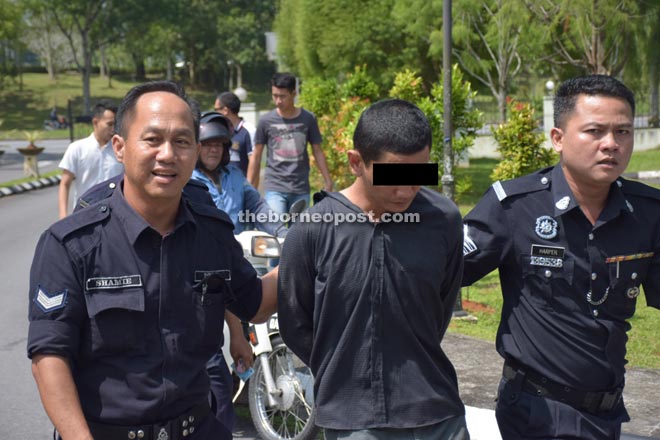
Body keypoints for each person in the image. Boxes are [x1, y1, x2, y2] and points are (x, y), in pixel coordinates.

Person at [27, 80, 279, 440]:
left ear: (194, 151)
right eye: (152, 139)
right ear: (120, 147)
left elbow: (254, 303)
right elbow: (49, 358)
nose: (167, 154)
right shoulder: (71, 244)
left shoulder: (212, 233)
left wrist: (311, 248)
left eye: (181, 141)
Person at [462, 74, 660, 439]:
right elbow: (440, 273)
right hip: (535, 412)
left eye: (623, 132)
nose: (611, 144)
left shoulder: (647, 212)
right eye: (595, 131)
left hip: (607, 414)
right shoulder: (513, 207)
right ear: (558, 138)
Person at [278, 99, 469, 440]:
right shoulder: (312, 229)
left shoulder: (444, 220)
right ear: (356, 162)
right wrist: (342, 365)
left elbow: (439, 309)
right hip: (352, 419)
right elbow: (296, 324)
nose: (405, 190)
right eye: (392, 177)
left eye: (417, 174)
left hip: (438, 414)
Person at [247, 72, 333, 214]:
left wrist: (327, 180)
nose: (278, 101)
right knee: (276, 229)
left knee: (299, 234)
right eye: (275, 96)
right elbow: (256, 155)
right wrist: (249, 187)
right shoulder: (266, 121)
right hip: (275, 186)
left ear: (294, 93)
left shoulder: (308, 118)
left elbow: (317, 150)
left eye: (282, 96)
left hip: (300, 187)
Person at [192, 111, 286, 236]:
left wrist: (282, 232)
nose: (214, 149)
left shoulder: (235, 176)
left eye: (218, 144)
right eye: (208, 144)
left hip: (237, 249)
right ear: (197, 148)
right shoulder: (187, 180)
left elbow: (257, 206)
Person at [58, 100, 123, 219]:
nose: (113, 129)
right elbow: (65, 183)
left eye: (115, 125)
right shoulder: (77, 148)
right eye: (109, 124)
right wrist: (63, 215)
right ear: (95, 122)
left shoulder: (120, 150)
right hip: (84, 215)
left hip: (114, 216)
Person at [214, 91, 255, 176]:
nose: (215, 113)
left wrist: (249, 188)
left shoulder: (249, 130)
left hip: (242, 186)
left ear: (225, 110)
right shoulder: (219, 130)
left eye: (216, 110)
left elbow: (254, 162)